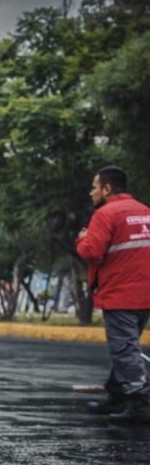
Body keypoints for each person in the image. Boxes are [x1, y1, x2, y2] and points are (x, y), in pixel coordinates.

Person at [77, 165, 150, 423]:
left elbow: (92, 252)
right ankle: (117, 396)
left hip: (121, 294)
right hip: (145, 295)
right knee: (127, 346)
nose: (91, 192)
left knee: (124, 349)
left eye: (95, 187)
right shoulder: (144, 212)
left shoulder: (106, 214)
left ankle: (139, 403)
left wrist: (82, 239)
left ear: (107, 189)